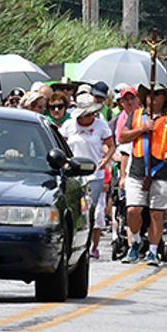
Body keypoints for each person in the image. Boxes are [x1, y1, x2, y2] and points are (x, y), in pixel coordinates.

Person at [118, 83, 167, 266]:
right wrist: (142, 129)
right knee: (133, 210)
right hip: (137, 170)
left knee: (157, 214)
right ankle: (134, 242)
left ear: (164, 97)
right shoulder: (136, 115)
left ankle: (153, 250)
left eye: (158, 94)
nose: (154, 98)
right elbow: (122, 136)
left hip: (161, 171)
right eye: (150, 95)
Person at [59, 94, 115, 259]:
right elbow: (61, 145)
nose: (90, 117)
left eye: (92, 113)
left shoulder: (101, 125)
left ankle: (93, 245)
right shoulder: (69, 125)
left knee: (94, 210)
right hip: (74, 174)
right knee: (77, 209)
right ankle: (77, 243)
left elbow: (111, 145)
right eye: (87, 114)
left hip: (94, 173)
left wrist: (106, 159)